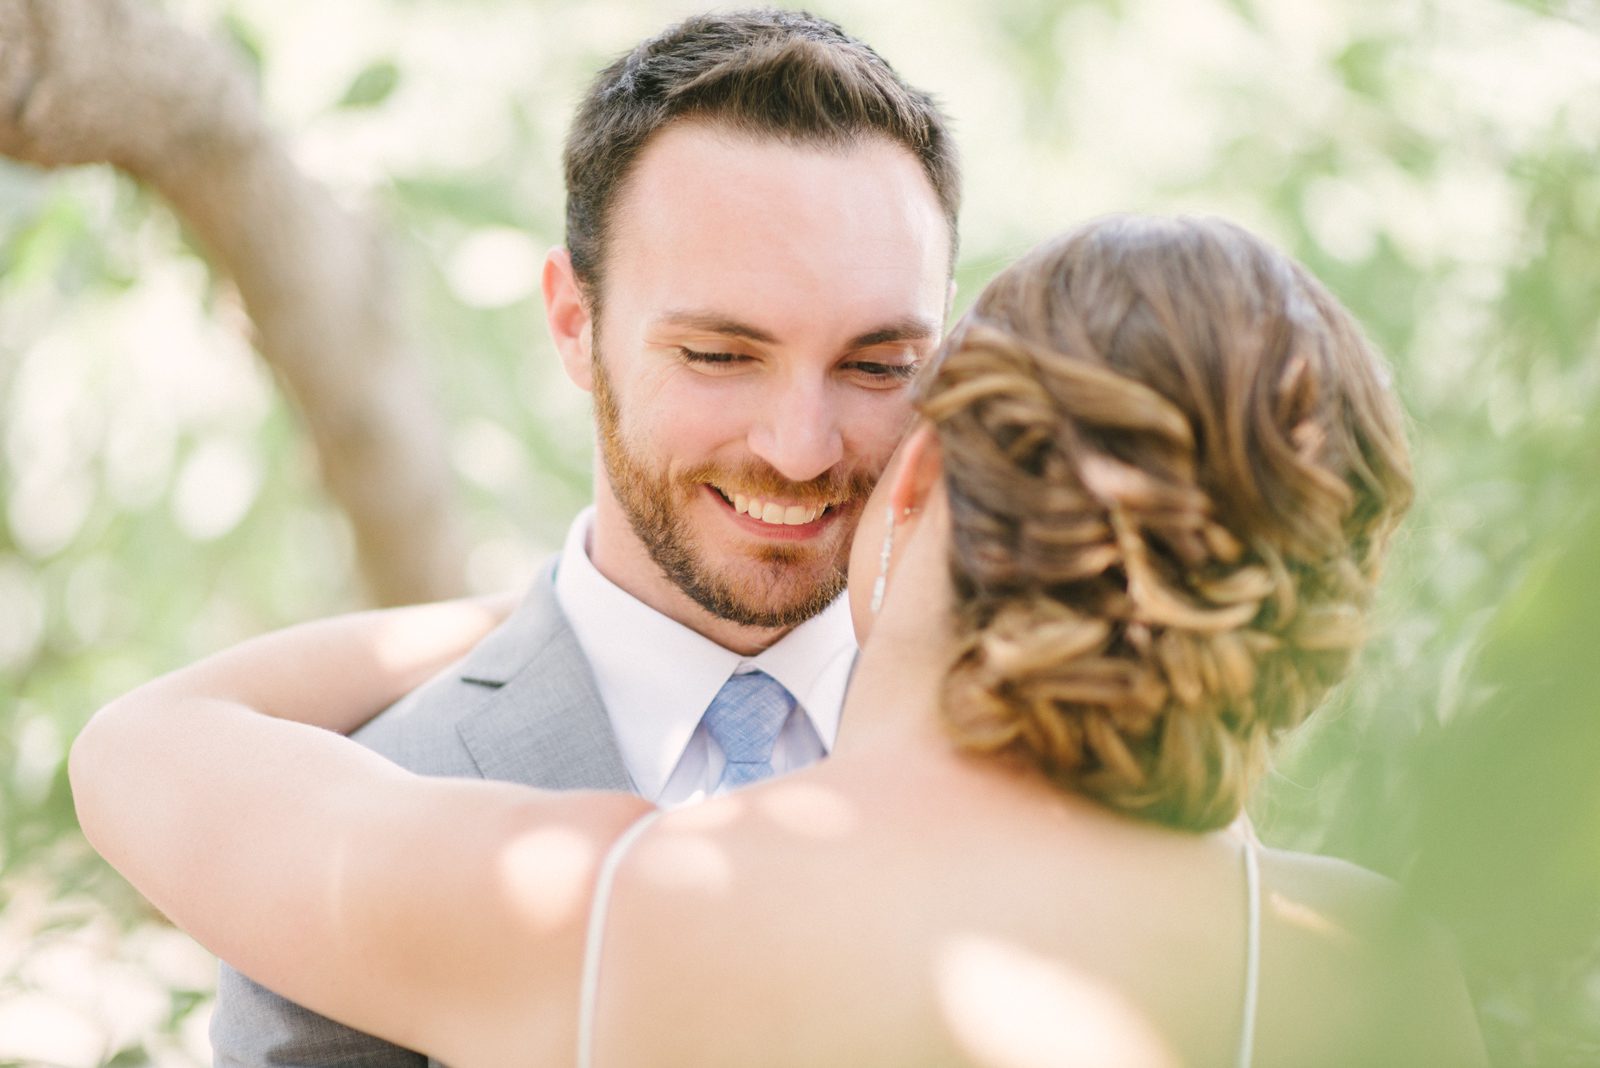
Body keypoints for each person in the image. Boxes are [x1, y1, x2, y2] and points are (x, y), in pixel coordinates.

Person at [73, 215, 1488, 1067]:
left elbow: (144, 748)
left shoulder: (617, 916)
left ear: (920, 481)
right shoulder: (1361, 963)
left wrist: (539, 610)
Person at [196, 9, 961, 1065]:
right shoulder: (361, 807)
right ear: (574, 323)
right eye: (718, 354)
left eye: (876, 366)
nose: (798, 450)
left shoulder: (1052, 768)